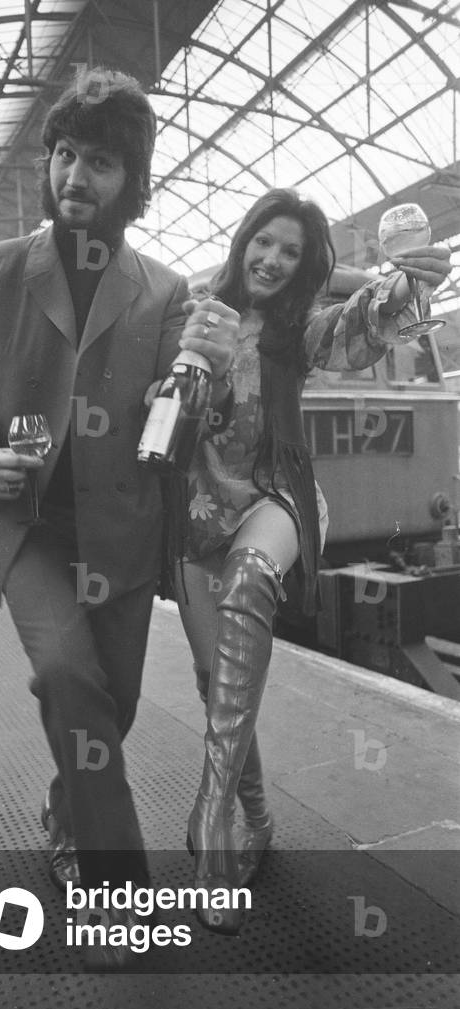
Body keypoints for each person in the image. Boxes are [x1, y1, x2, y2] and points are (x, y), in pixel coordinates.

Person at [0, 66, 237, 966]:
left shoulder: (167, 293)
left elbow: (179, 425)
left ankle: (69, 812)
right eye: (63, 154)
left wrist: (208, 375)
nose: (72, 175)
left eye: (98, 161)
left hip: (124, 535)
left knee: (113, 703)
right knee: (68, 672)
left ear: (129, 183)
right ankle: (116, 893)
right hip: (25, 532)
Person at [175, 187, 452, 934]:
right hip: (199, 517)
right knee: (216, 682)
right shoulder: (189, 314)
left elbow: (353, 330)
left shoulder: (297, 329)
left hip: (277, 498)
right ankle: (255, 819)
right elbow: (154, 418)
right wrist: (184, 366)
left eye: (290, 251)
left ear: (302, 266)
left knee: (249, 582)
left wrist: (403, 286)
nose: (272, 259)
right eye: (263, 242)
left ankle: (209, 818)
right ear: (243, 243)